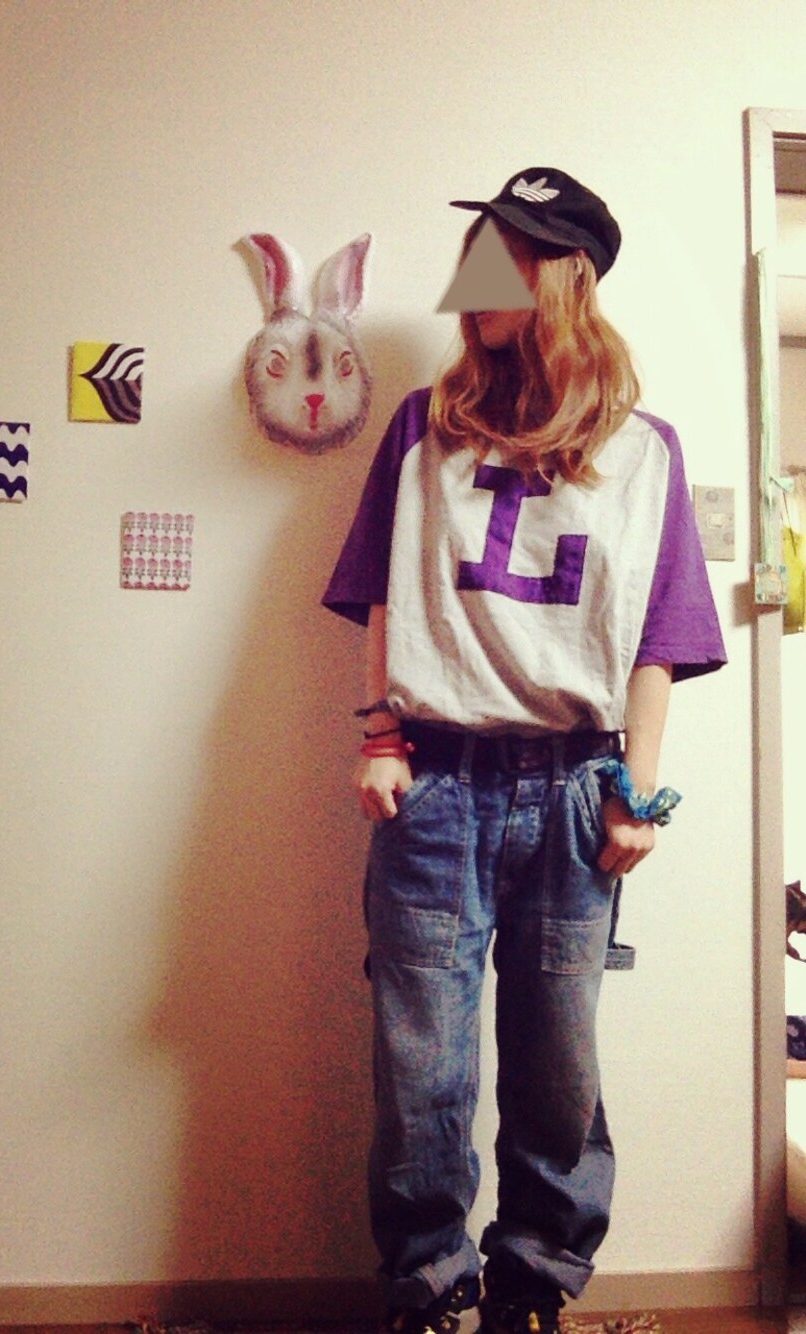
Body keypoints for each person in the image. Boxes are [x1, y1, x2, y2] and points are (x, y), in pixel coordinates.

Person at [322, 167, 726, 1334]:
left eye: (507, 252)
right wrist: (381, 731)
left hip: (571, 787)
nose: (476, 277)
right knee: (420, 1066)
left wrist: (638, 790)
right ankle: (429, 1289)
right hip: (434, 780)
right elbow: (383, 592)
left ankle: (533, 1287)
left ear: (566, 276)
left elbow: (658, 635)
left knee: (557, 1065)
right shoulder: (421, 425)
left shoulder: (645, 451)